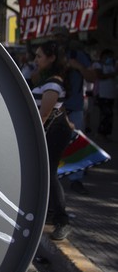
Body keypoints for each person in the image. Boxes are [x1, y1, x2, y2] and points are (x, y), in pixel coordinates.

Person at [32, 40, 73, 241]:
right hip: (53, 130)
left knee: (50, 174)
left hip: (55, 131)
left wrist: (33, 136)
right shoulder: (46, 79)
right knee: (46, 173)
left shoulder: (53, 83)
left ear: (51, 58)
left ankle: (62, 221)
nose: (35, 60)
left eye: (39, 56)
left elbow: (45, 113)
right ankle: (48, 215)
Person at [51, 25, 96, 195]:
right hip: (55, 108)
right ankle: (52, 179)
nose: (59, 40)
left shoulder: (79, 56)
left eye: (62, 36)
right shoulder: (50, 56)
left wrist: (78, 66)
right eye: (56, 36)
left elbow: (92, 77)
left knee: (76, 144)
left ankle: (76, 179)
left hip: (74, 108)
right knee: (52, 144)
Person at [92, 48, 116, 140]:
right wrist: (113, 74)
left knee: (109, 115)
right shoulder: (98, 65)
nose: (111, 58)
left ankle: (105, 134)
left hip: (110, 94)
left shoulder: (111, 66)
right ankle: (100, 133)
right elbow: (100, 76)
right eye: (109, 56)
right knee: (105, 114)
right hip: (102, 94)